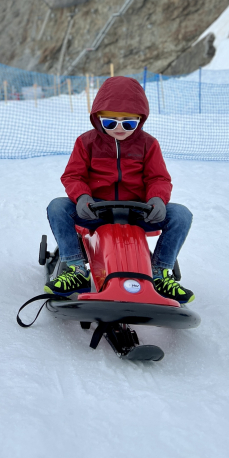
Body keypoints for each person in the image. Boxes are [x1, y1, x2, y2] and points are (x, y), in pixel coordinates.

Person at [45, 76, 194, 302]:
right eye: (110, 123)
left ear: (140, 120)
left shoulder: (148, 144)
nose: (120, 128)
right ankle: (76, 268)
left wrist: (157, 200)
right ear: (98, 119)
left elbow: (158, 178)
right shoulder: (86, 143)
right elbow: (73, 175)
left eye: (128, 123)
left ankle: (161, 273)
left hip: (138, 212)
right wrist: (83, 197)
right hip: (96, 210)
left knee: (181, 214)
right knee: (58, 207)